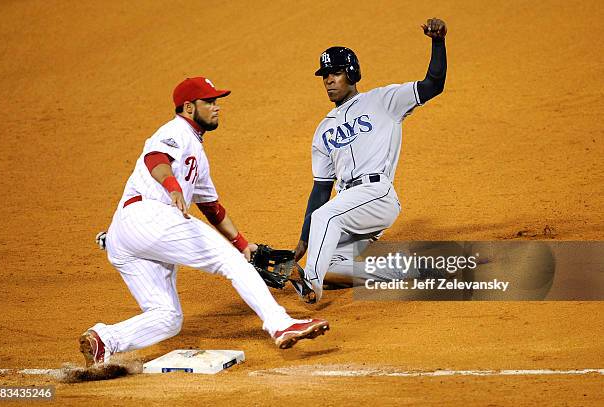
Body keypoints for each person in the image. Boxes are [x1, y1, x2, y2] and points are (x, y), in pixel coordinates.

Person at [80, 77, 329, 367]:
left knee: (167, 317)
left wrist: (243, 245)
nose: (216, 107)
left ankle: (105, 340)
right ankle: (280, 324)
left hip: (125, 235)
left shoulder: (196, 151)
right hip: (151, 215)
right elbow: (156, 159)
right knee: (231, 263)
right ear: (188, 107)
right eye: (209, 102)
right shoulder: (175, 131)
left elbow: (212, 208)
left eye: (216, 101)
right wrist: (173, 186)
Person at [291, 18, 448, 303]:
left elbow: (433, 84)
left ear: (351, 74)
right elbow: (321, 190)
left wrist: (438, 43)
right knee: (329, 261)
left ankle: (310, 285)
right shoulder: (323, 130)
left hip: (377, 195)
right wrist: (303, 240)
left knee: (324, 217)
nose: (328, 80)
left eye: (335, 73)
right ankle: (406, 273)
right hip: (349, 206)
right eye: (325, 75)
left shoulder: (383, 101)